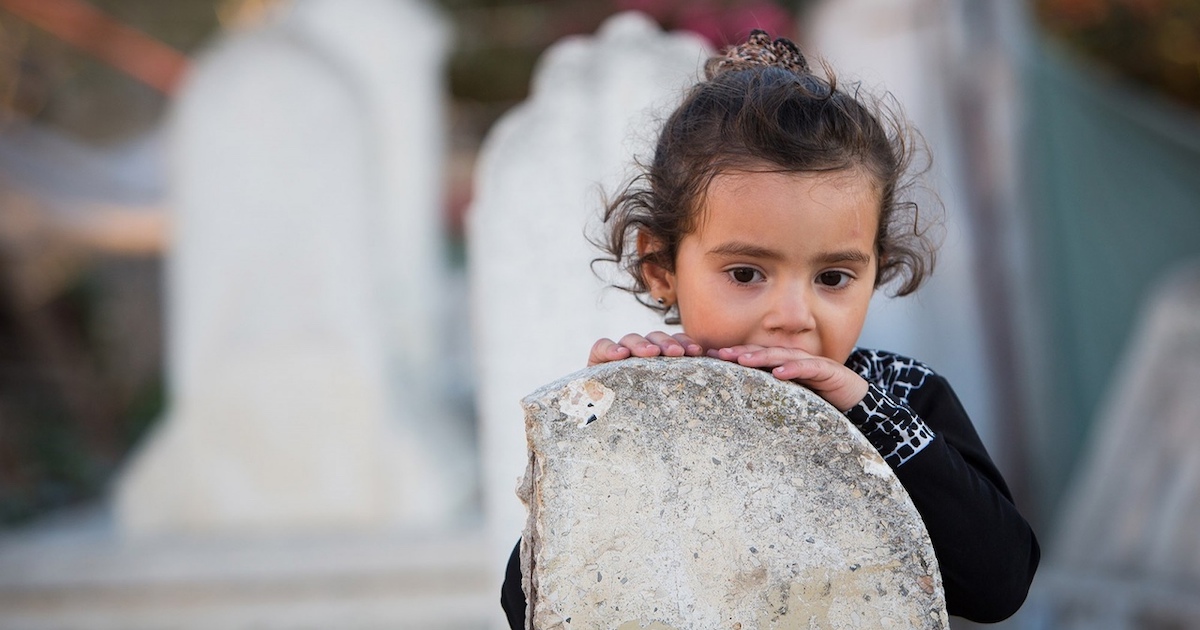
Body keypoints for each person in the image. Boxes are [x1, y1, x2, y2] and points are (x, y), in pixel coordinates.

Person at [501, 29, 1039, 626]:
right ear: (660, 268)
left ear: (876, 270)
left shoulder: (902, 393)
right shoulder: (662, 405)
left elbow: (1000, 584)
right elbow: (529, 603)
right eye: (746, 272)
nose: (792, 316)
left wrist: (865, 412)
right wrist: (615, 429)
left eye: (833, 277)